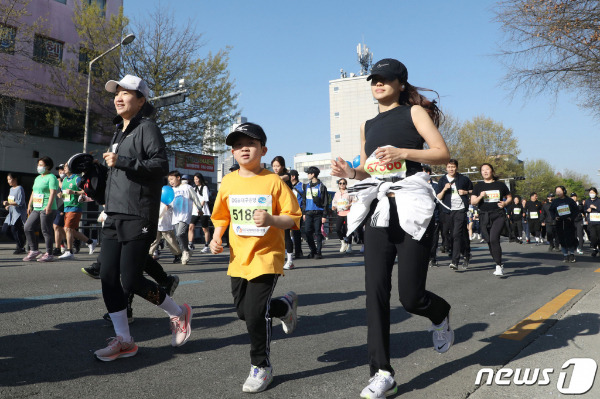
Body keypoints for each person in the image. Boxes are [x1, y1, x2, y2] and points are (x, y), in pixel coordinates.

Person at [330, 58, 454, 398]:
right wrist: (350, 173)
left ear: (400, 83)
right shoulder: (367, 124)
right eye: (374, 79)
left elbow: (442, 154)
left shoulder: (414, 113)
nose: (378, 84)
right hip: (378, 209)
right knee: (375, 293)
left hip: (412, 205)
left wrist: (403, 150)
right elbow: (369, 172)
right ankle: (382, 372)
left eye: (385, 79)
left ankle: (439, 313)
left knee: (411, 296)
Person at [94, 74, 192, 361]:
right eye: (116, 93)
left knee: (131, 280)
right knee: (108, 277)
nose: (118, 97)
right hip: (114, 213)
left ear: (141, 100)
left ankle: (179, 313)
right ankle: (124, 339)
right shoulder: (119, 131)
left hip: (138, 213)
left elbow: (160, 165)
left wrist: (122, 161)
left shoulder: (147, 127)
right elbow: (119, 176)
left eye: (126, 93)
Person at [209, 122, 301, 393]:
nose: (243, 149)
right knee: (242, 311)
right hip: (238, 258)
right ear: (232, 153)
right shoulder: (228, 180)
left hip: (266, 256)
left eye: (249, 144)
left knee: (254, 314)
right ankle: (284, 307)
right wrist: (216, 237)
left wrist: (271, 218)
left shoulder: (273, 181)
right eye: (237, 145)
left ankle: (261, 366)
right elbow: (221, 215)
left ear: (263, 149)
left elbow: (293, 218)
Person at [471, 163, 512, 277]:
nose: (485, 172)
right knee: (489, 240)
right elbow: (473, 202)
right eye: (483, 170)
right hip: (484, 216)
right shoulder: (478, 186)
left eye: (487, 169)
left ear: (492, 171)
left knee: (494, 238)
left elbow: (509, 197)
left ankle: (499, 265)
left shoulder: (500, 185)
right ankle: (497, 262)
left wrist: (505, 203)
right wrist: (480, 196)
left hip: (498, 215)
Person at [436, 159, 473, 270]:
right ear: (446, 168)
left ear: (456, 167)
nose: (451, 169)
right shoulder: (442, 180)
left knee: (457, 234)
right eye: (449, 167)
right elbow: (438, 197)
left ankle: (455, 261)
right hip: (447, 210)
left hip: (460, 209)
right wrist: (444, 189)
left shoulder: (464, 179)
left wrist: (465, 192)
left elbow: (473, 191)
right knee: (453, 235)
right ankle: (466, 253)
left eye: (453, 166)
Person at [58, 163, 98, 259]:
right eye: (64, 167)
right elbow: (66, 195)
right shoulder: (64, 181)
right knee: (70, 230)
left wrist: (74, 192)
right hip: (67, 207)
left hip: (75, 206)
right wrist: (61, 195)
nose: (64, 169)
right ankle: (91, 241)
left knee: (68, 229)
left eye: (66, 167)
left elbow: (86, 191)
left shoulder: (77, 179)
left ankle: (69, 251)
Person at [23, 156, 59, 262]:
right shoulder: (38, 178)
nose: (39, 167)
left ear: (47, 166)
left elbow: (53, 192)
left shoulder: (51, 177)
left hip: (47, 207)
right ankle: (34, 250)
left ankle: (49, 253)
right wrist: (29, 205)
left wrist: (48, 206)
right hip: (37, 207)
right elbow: (34, 192)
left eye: (41, 165)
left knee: (46, 230)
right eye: (38, 165)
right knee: (27, 227)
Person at [167, 170, 202, 265]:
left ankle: (185, 251)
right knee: (178, 236)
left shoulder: (187, 187)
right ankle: (186, 251)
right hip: (175, 215)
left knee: (180, 233)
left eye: (172, 179)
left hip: (185, 214)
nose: (171, 182)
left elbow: (195, 197)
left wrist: (199, 208)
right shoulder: (171, 190)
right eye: (169, 180)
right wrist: (168, 206)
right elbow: (170, 201)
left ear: (178, 178)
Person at [271, 156, 296, 269]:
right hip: (275, 208)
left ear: (283, 166)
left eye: (278, 166)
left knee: (286, 234)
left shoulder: (287, 175)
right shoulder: (271, 177)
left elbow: (280, 179)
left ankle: (290, 260)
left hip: (286, 208)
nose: (275, 168)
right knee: (275, 235)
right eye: (274, 166)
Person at [301, 166, 329, 259]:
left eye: (308, 173)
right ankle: (313, 250)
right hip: (308, 212)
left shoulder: (322, 186)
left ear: (313, 174)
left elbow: (325, 201)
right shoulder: (306, 186)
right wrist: (304, 212)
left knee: (318, 232)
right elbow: (304, 200)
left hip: (318, 213)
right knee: (307, 232)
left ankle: (318, 252)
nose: (307, 175)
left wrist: (324, 215)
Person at [549, 186, 578, 262]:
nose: (558, 193)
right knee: (562, 239)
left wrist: (571, 217)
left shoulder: (570, 201)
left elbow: (576, 210)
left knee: (570, 239)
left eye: (560, 191)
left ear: (564, 191)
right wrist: (555, 217)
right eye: (557, 192)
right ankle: (565, 255)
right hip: (559, 222)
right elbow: (551, 210)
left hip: (569, 222)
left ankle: (572, 254)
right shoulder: (555, 201)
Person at [2, 173, 27, 254]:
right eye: (7, 180)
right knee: (4, 230)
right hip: (11, 213)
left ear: (15, 179)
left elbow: (20, 202)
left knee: (14, 229)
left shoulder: (20, 188)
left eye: (10, 179)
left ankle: (20, 247)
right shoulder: (11, 189)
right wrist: (8, 206)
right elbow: (11, 201)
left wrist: (9, 204)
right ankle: (21, 241)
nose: (8, 181)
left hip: (19, 213)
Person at [189, 173, 212, 254]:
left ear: (200, 179)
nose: (196, 181)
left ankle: (206, 246)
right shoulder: (193, 188)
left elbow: (205, 199)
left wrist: (200, 208)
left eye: (197, 179)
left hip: (203, 211)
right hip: (195, 211)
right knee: (191, 226)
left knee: (205, 229)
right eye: (194, 179)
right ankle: (190, 244)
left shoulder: (205, 187)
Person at [332, 177, 354, 254]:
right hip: (340, 213)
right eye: (340, 183)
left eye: (343, 183)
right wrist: (333, 207)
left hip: (348, 213)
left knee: (348, 230)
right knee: (337, 229)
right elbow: (334, 202)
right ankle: (343, 243)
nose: (342, 185)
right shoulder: (336, 194)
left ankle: (349, 245)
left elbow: (354, 201)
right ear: (338, 184)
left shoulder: (349, 192)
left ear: (346, 184)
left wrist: (349, 205)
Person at [289, 169, 304, 259]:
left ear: (293, 177)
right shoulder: (288, 186)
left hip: (299, 212)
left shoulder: (302, 186)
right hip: (289, 212)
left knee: (296, 232)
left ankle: (298, 251)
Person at [584, 187, 600, 257]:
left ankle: (598, 249)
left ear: (596, 193)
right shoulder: (587, 201)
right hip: (591, 221)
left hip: (598, 221)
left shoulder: (599, 201)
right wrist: (587, 210)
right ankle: (594, 248)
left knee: (599, 237)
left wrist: (595, 207)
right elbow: (584, 209)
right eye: (590, 193)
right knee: (593, 236)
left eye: (593, 193)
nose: (591, 194)